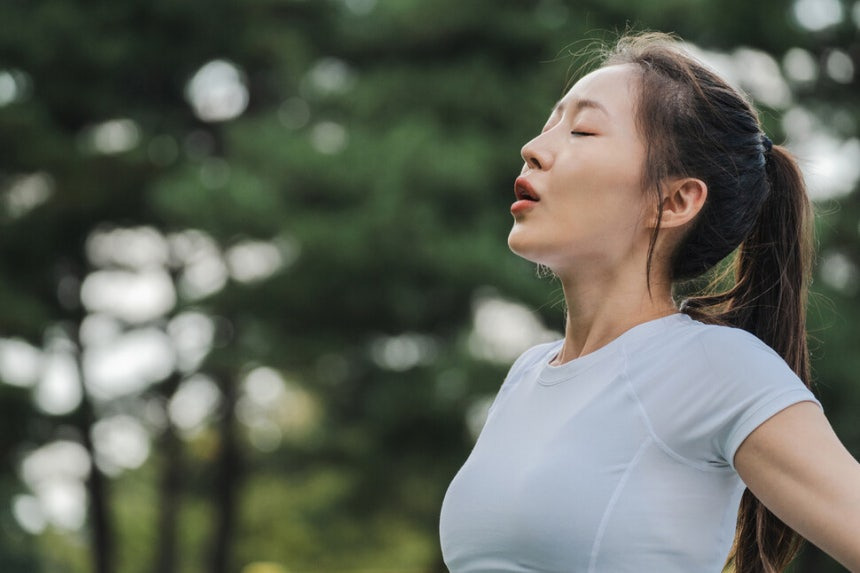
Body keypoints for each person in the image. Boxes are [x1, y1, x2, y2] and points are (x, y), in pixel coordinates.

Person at [438, 32, 860, 572]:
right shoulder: (525, 375)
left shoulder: (715, 367)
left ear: (676, 199)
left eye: (583, 130)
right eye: (548, 125)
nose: (534, 149)